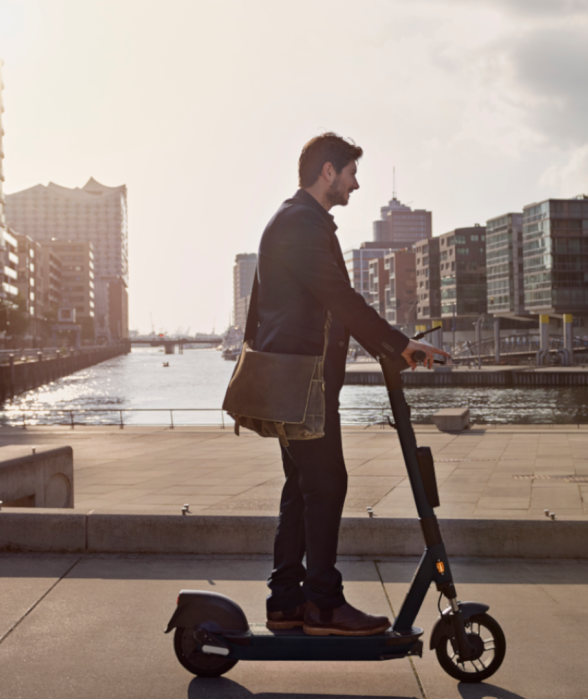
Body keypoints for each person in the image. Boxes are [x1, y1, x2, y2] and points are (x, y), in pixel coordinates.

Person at [254, 133, 447, 637]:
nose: (355, 183)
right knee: (327, 483)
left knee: (301, 488)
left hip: (295, 380)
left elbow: (282, 307)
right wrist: (399, 344)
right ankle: (322, 603)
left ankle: (284, 601)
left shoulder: (296, 221)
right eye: (350, 173)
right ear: (327, 172)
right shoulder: (300, 223)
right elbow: (340, 298)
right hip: (303, 383)